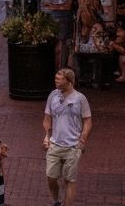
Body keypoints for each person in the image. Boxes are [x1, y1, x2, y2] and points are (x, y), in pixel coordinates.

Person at [43, 68, 92, 206]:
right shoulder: (53, 95)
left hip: (73, 147)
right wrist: (46, 136)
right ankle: (57, 200)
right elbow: (47, 118)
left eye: (59, 79)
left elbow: (88, 121)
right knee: (51, 177)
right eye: (56, 78)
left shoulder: (80, 99)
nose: (56, 80)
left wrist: (82, 140)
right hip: (55, 145)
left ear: (69, 81)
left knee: (69, 180)